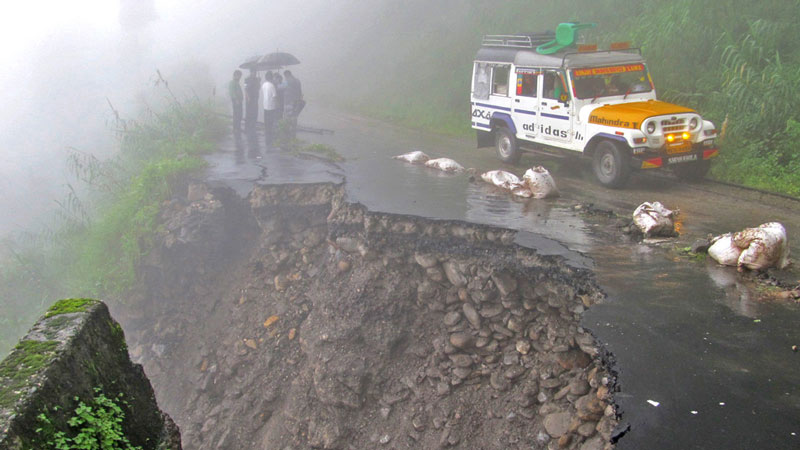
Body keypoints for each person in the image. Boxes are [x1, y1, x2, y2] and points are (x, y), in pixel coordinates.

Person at [283, 70, 303, 137]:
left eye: (284, 76)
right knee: (294, 116)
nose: (284, 78)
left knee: (288, 116)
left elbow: (280, 88)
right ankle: (294, 130)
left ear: (286, 75)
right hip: (297, 101)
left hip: (289, 101)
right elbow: (300, 91)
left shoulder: (286, 81)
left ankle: (288, 132)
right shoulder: (298, 81)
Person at [262, 72, 278, 145]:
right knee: (271, 120)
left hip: (265, 105)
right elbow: (274, 96)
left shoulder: (263, 85)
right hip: (271, 105)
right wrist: (277, 104)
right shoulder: (272, 86)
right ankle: (270, 132)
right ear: (271, 77)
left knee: (266, 119)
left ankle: (267, 131)